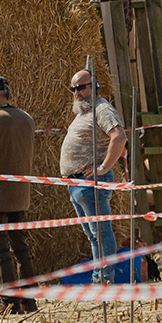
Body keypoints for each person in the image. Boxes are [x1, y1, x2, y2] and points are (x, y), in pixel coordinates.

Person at [0, 77, 38, 313]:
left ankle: (10, 302)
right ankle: (29, 300)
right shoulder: (27, 119)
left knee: (1, 252)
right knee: (22, 250)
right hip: (19, 196)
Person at [62, 69, 128, 273]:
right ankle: (101, 276)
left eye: (81, 87)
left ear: (95, 87)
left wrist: (103, 167)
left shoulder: (102, 109)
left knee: (101, 233)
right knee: (93, 235)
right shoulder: (86, 112)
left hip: (91, 182)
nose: (77, 93)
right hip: (78, 183)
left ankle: (105, 278)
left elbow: (119, 137)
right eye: (74, 88)